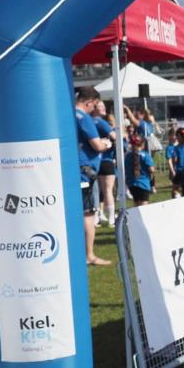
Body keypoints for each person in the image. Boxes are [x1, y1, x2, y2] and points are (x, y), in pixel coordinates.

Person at [76, 87, 113, 265]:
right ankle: (89, 255)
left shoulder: (68, 114)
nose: (94, 109)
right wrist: (106, 143)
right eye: (94, 105)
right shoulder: (85, 118)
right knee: (88, 215)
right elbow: (97, 146)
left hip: (75, 169)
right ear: (89, 102)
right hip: (85, 172)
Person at [92, 101, 118, 227]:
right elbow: (114, 136)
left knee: (97, 191)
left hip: (94, 161)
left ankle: (98, 216)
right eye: (100, 106)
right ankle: (111, 218)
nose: (104, 108)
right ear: (94, 108)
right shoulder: (101, 122)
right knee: (108, 190)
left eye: (103, 106)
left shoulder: (89, 121)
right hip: (106, 160)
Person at [123, 134, 155, 207]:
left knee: (136, 203)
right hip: (143, 183)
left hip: (131, 184)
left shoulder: (127, 156)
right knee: (144, 205)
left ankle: (135, 218)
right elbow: (151, 169)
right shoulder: (145, 155)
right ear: (143, 144)